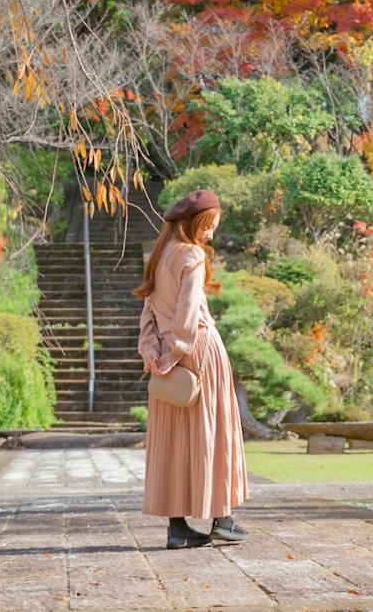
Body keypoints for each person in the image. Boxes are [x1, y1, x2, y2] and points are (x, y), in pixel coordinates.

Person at [134, 189, 249, 549]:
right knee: (213, 431)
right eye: (210, 226)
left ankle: (178, 528)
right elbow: (188, 312)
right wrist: (178, 350)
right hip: (198, 349)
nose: (211, 234)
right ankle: (222, 518)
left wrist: (153, 352)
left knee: (173, 439)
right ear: (195, 223)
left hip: (167, 356)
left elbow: (149, 312)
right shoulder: (192, 255)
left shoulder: (159, 256)